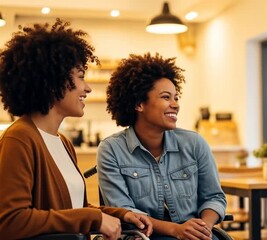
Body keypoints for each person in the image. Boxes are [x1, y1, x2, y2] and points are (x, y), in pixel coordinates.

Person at [0, 18, 152, 240]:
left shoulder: (62, 142)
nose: (87, 87)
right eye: (81, 77)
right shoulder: (19, 138)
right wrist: (94, 219)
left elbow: (73, 208)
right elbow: (10, 221)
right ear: (54, 82)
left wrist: (122, 215)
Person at [96, 53, 227, 240]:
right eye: (166, 97)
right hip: (141, 234)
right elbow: (124, 210)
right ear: (139, 104)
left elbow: (214, 197)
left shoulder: (195, 143)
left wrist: (203, 227)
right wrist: (176, 230)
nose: (175, 105)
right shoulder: (111, 149)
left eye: (176, 97)